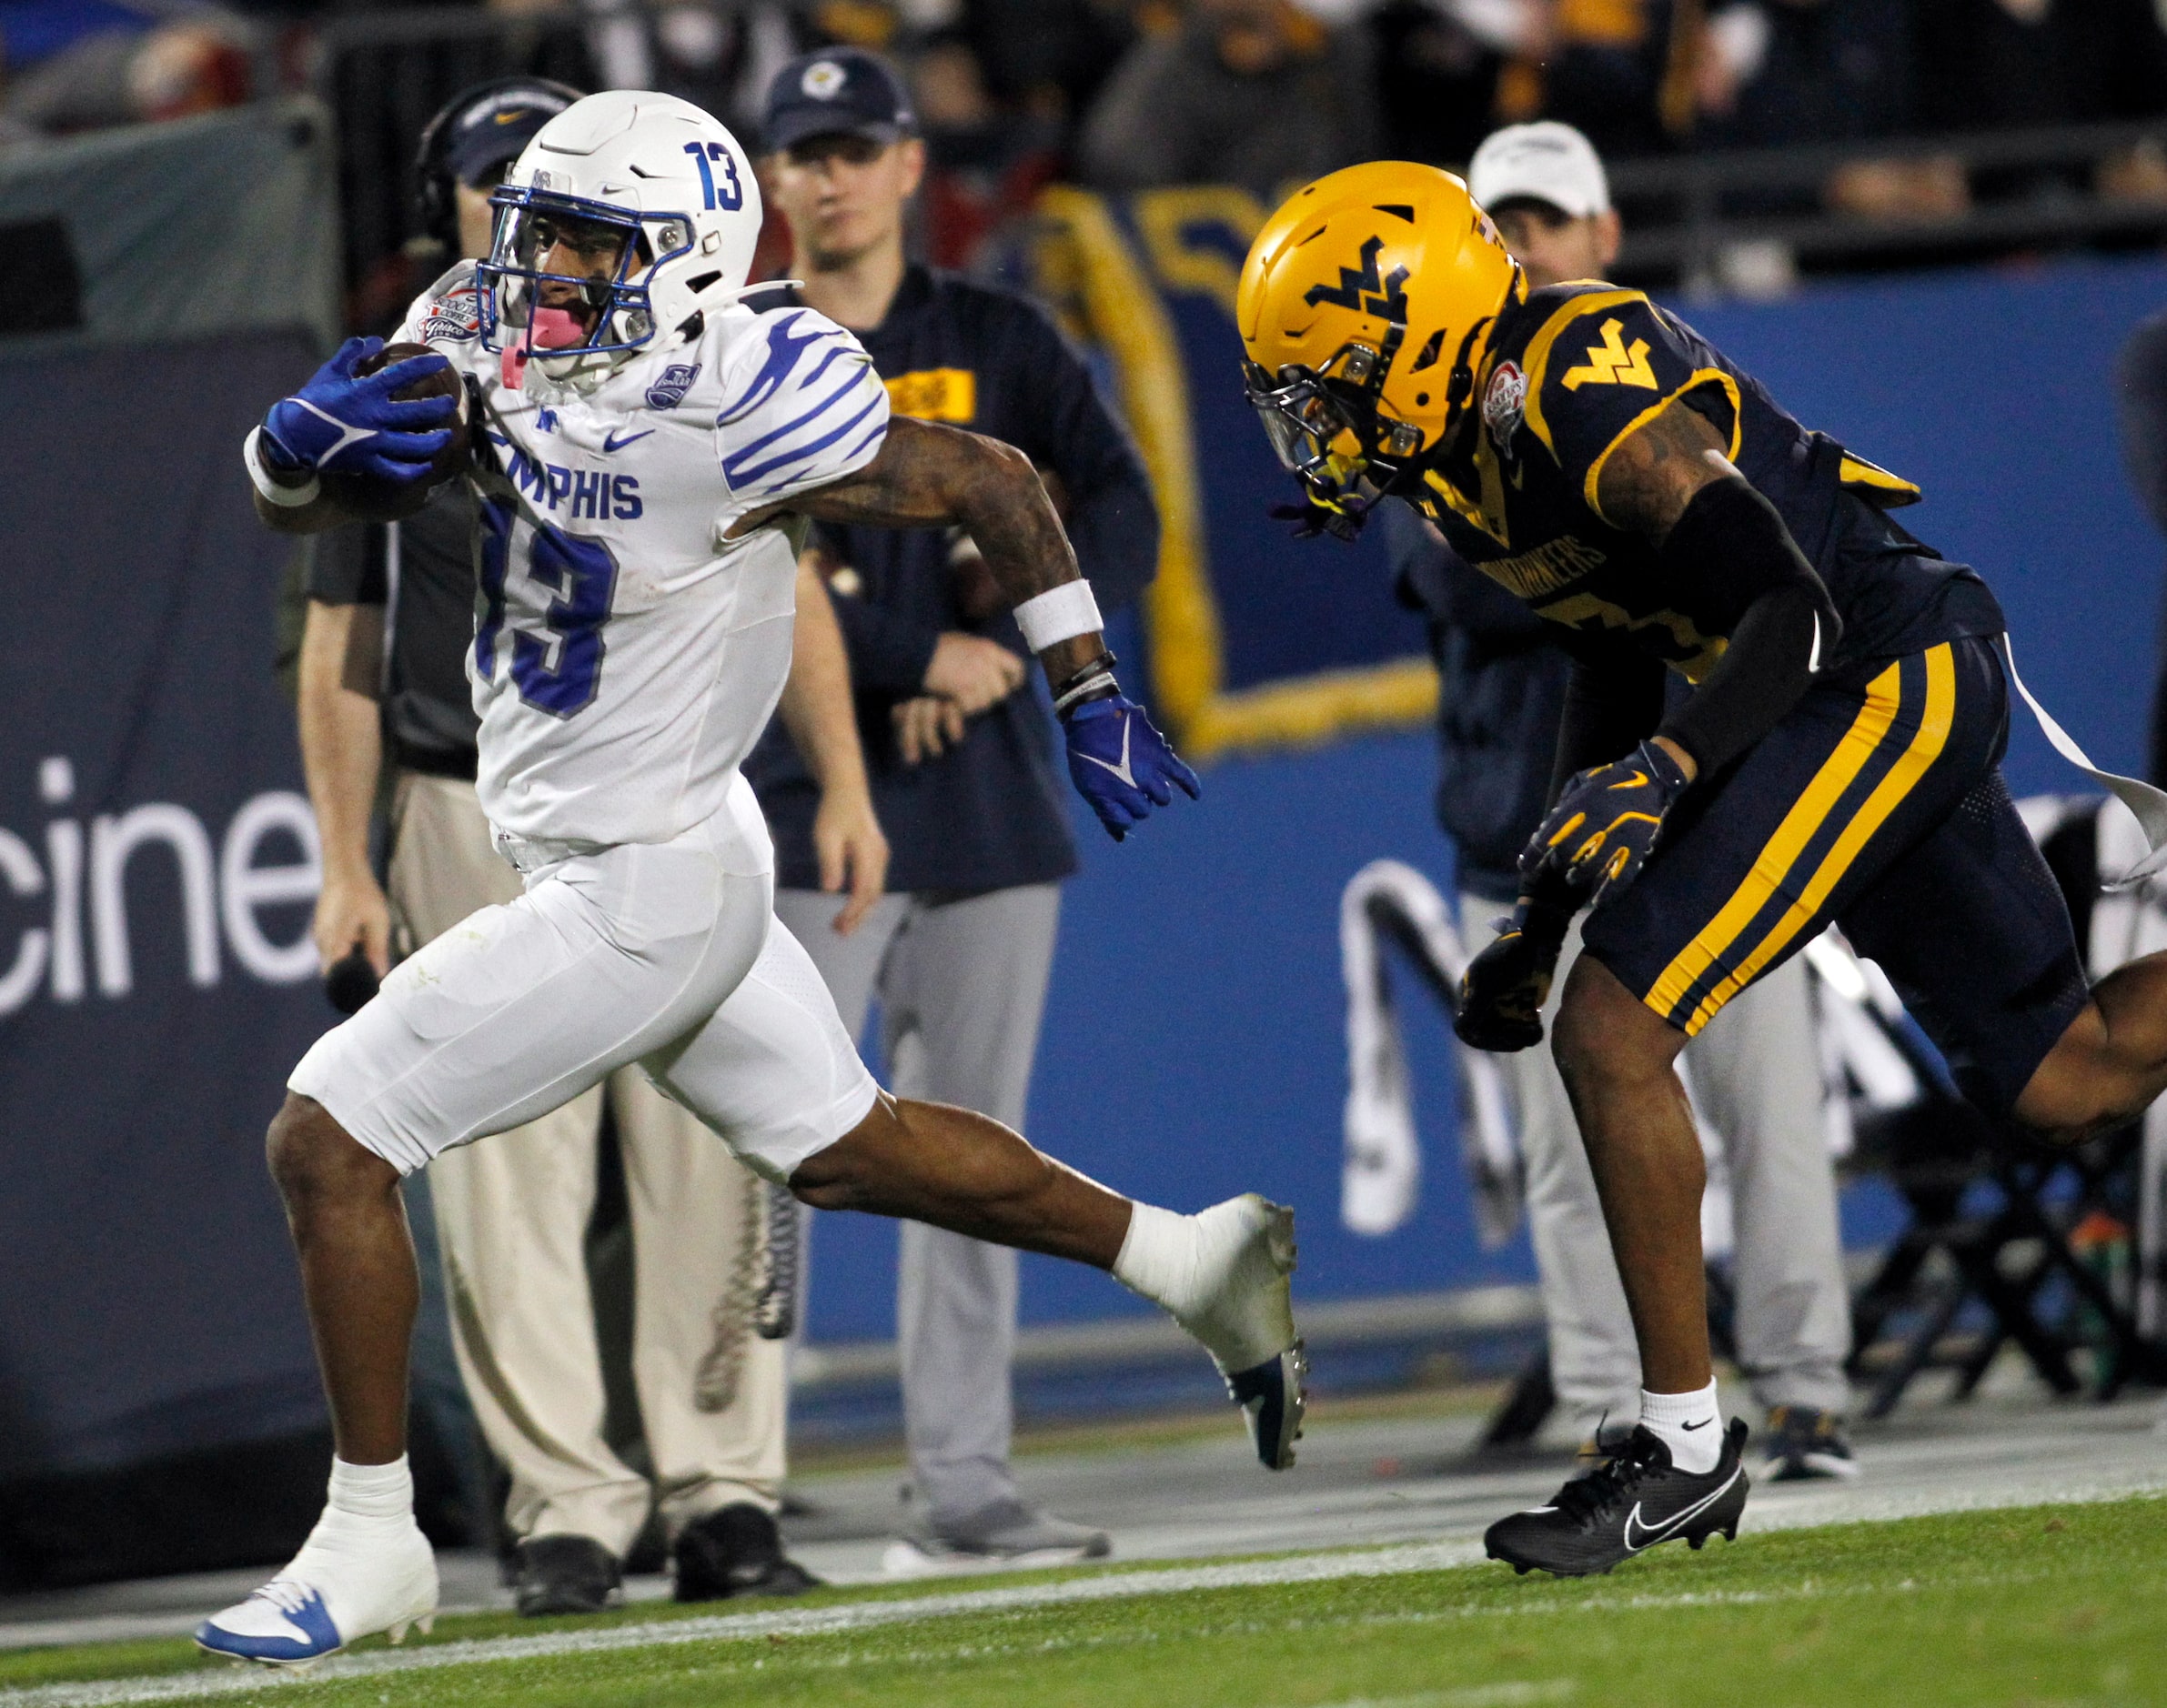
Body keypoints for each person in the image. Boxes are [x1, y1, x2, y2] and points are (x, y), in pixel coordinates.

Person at [202, 88, 1298, 1667]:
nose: (546, 267)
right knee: (853, 1149)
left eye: (592, 240)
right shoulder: (476, 325)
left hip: (644, 876)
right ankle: (1194, 1260)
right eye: (536, 228)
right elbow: (299, 491)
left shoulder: (749, 390)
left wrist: (1084, 687)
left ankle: (371, 1542)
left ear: (697, 262)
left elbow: (996, 476)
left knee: (327, 1136)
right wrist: (283, 450)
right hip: (647, 844)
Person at [1239, 158, 2167, 1577]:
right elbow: (1610, 642)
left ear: (1415, 330)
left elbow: (1784, 608)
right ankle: (1674, 1440)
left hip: (1871, 674)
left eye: (1330, 378)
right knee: (2070, 1077)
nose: (1312, 421)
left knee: (1611, 1033)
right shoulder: (1463, 459)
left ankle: (1675, 1449)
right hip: (1833, 691)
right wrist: (1536, 918)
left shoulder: (1565, 376)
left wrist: (1667, 776)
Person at [297, 75, 849, 1618]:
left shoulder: (710, 365)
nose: (527, 225)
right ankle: (567, 1505)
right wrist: (348, 857)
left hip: (667, 802)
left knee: (714, 1150)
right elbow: (342, 631)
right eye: (502, 191)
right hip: (469, 792)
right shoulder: (420, 359)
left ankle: (721, 1483)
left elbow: (782, 582)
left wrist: (838, 780)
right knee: (501, 1170)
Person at [746, 48, 1162, 1572]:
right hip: (803, 804)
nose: (831, 176)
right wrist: (928, 650)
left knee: (978, 1155)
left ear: (912, 163)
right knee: (767, 1142)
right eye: (804, 153)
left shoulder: (994, 336)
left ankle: (964, 1478)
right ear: (771, 180)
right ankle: (732, 1470)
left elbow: (1120, 506)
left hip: (982, 813)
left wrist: (1020, 635)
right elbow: (732, 575)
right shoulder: (741, 350)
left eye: (856, 147)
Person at [1398, 122, 1855, 1479]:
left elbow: (1749, 586)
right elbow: (1454, 587)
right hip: (1525, 821)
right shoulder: (1425, 413)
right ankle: (1618, 1408)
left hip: (1707, 799)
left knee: (1767, 1106)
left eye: (1548, 221)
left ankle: (1805, 1387)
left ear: (1603, 239)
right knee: (1568, 1140)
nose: (1525, 248)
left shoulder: (1635, 394)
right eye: (1498, 227)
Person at [1077, 0, 1378, 197]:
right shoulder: (1172, 66)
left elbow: (1358, 160)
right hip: (1189, 255)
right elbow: (1122, 167)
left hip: (1304, 240)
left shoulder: (1322, 67)